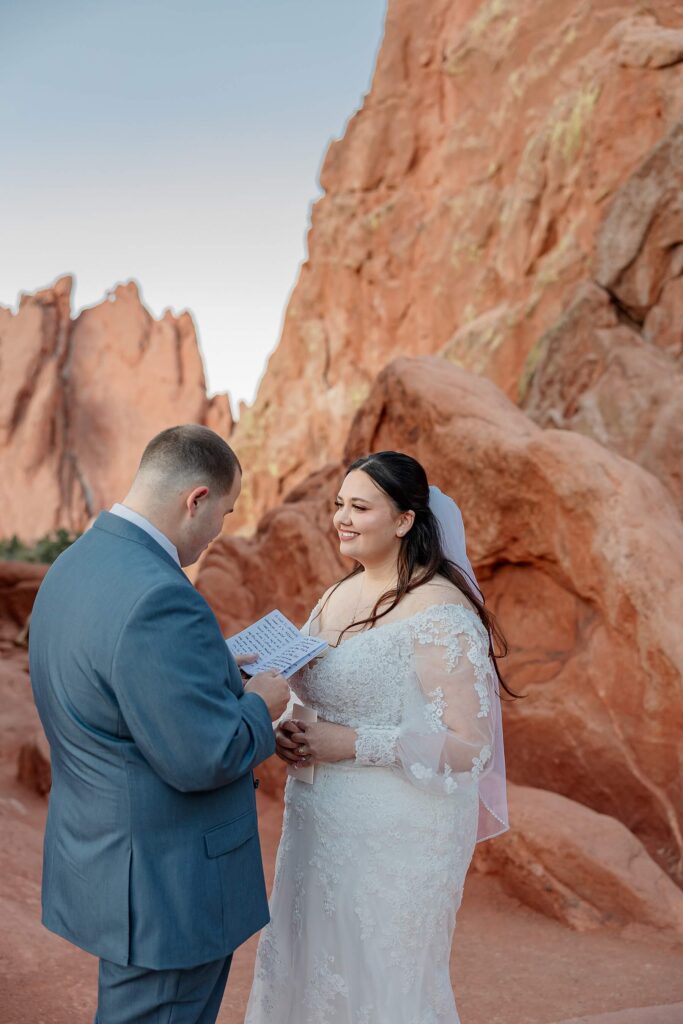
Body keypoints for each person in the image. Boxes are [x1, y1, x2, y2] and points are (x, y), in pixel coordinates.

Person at [29, 425, 290, 1024]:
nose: (219, 531)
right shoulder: (160, 596)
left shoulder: (77, 561)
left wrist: (207, 662)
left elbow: (110, 678)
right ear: (195, 499)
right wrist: (262, 701)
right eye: (224, 513)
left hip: (110, 861)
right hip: (166, 884)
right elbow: (206, 756)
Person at [245, 450, 512, 1024]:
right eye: (339, 504)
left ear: (404, 520)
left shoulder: (440, 611)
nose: (342, 517)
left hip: (399, 830)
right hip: (317, 817)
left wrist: (352, 743)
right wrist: (291, 726)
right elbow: (322, 690)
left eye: (360, 506)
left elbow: (473, 748)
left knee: (379, 981)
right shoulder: (336, 593)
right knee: (307, 962)